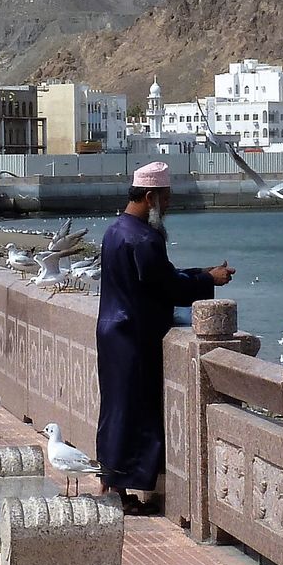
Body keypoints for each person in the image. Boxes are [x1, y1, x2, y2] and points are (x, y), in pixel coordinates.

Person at [95, 160, 234, 515]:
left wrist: (201, 273)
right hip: (134, 336)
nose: (169, 205)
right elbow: (167, 286)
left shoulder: (115, 231)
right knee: (134, 410)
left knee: (117, 407)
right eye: (166, 198)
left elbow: (158, 276)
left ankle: (111, 482)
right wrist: (209, 281)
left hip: (113, 330)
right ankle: (119, 491)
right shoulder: (143, 237)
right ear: (150, 197)